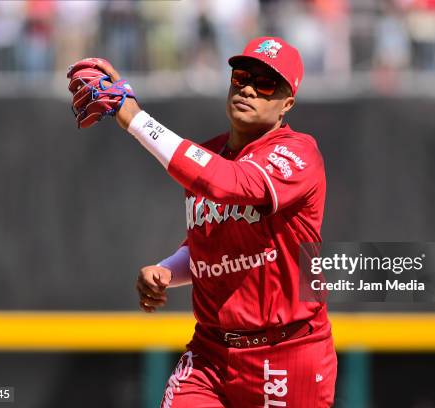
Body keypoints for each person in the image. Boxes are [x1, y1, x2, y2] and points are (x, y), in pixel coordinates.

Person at [98, 36, 337, 407]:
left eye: (265, 83)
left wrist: (133, 118)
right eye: (241, 76)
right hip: (210, 353)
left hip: (287, 352)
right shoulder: (208, 155)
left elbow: (232, 184)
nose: (248, 89)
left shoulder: (298, 154)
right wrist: (167, 270)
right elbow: (208, 244)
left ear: (287, 103)